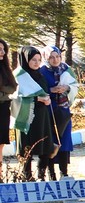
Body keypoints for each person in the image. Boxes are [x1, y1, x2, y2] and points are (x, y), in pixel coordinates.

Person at [13, 46, 56, 181]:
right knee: (27, 148)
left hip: (42, 116)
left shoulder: (40, 75)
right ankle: (27, 176)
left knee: (45, 146)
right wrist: (38, 99)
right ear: (25, 60)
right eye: (33, 60)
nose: (37, 63)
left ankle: (41, 176)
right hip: (26, 116)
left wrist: (47, 99)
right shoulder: (19, 76)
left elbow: (45, 91)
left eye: (39, 60)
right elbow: (16, 98)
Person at [40, 47, 77, 179]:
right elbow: (38, 89)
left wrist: (67, 88)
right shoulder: (42, 71)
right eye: (51, 57)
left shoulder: (66, 69)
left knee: (64, 140)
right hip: (49, 110)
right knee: (51, 141)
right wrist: (51, 90)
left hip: (63, 111)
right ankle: (51, 173)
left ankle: (64, 172)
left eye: (57, 57)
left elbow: (75, 85)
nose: (55, 60)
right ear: (46, 58)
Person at [0, 39, 15, 158]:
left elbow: (13, 87)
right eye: (0, 49)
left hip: (4, 109)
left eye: (4, 49)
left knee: (1, 144)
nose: (3, 52)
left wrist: (2, 89)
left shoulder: (5, 67)